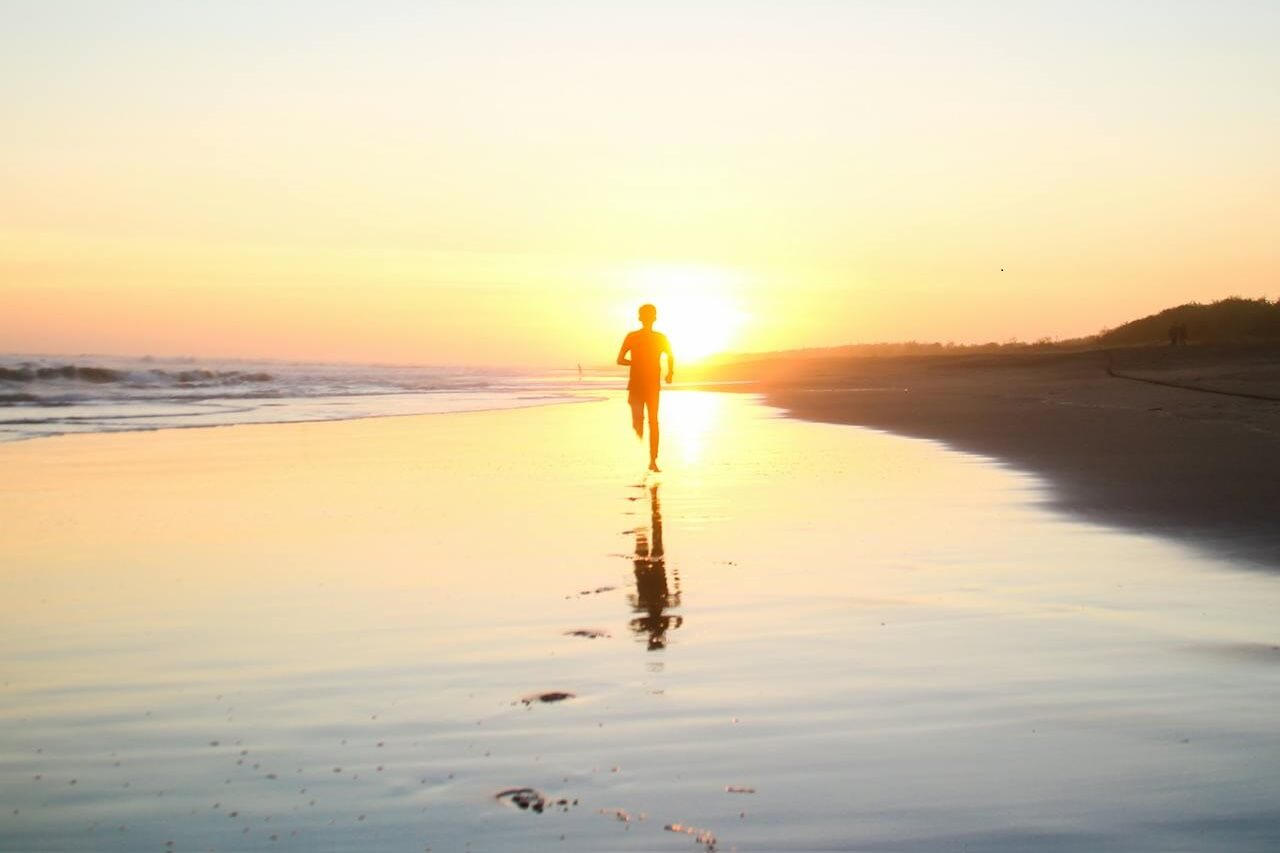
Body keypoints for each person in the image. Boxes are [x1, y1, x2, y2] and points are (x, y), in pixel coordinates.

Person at [616, 304, 674, 472]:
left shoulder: (639, 337)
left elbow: (620, 360)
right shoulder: (647, 337)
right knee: (650, 421)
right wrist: (670, 373)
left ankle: (653, 460)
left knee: (652, 421)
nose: (649, 319)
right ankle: (652, 460)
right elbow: (670, 357)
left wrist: (670, 372)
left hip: (647, 385)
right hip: (644, 384)